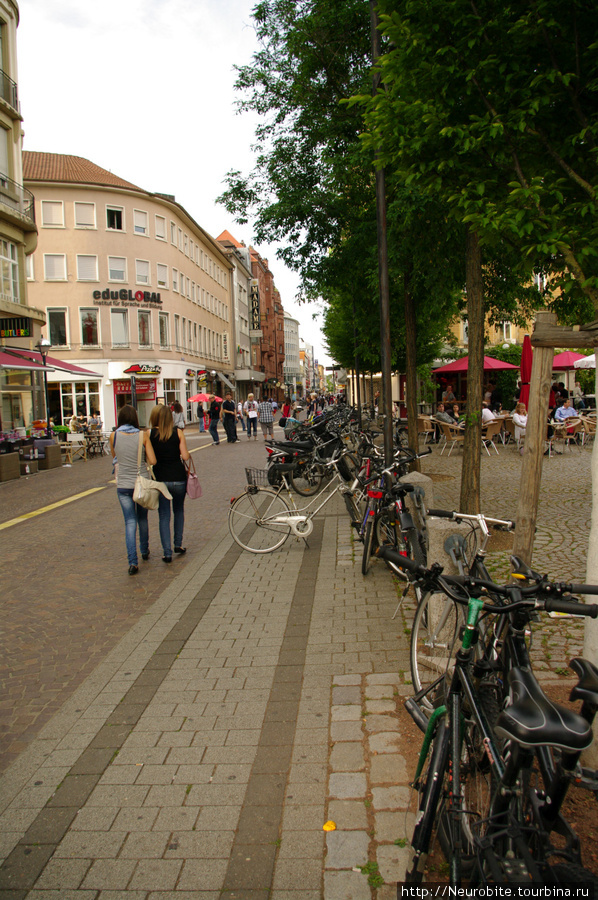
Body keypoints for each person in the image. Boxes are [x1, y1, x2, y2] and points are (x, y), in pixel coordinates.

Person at [109, 404, 157, 576]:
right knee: (142, 519)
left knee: (129, 521)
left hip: (123, 485)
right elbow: (152, 460)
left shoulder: (113, 435)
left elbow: (115, 457)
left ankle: (132, 562)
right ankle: (144, 550)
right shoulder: (142, 435)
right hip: (141, 482)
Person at [149, 404, 190, 563]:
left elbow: (150, 459)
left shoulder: (150, 434)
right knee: (179, 511)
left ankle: (167, 553)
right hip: (178, 477)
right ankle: (178, 544)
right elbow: (185, 457)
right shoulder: (178, 432)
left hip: (160, 479)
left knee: (164, 516)